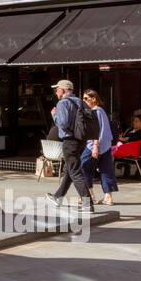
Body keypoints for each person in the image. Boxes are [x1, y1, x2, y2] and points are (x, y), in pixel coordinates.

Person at [46, 80, 94, 212]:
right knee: (69, 170)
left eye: (57, 89)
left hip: (69, 141)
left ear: (63, 89)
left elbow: (63, 123)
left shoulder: (62, 103)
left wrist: (54, 114)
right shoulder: (80, 101)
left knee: (74, 171)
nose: (56, 92)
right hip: (81, 140)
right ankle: (58, 197)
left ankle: (87, 203)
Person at [80, 89, 117, 206]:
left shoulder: (94, 112)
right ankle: (108, 197)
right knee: (106, 170)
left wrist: (95, 146)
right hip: (106, 145)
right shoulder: (102, 111)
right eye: (83, 98)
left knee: (83, 166)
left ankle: (89, 195)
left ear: (94, 99)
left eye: (86, 98)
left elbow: (96, 131)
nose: (83, 100)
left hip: (94, 146)